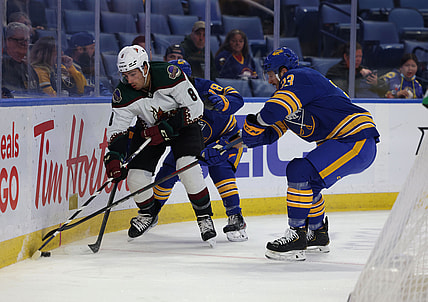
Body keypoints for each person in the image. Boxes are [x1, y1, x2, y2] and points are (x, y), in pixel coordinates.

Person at [242, 47, 380, 261]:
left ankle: (297, 235)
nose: (269, 80)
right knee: (307, 184)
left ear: (282, 71)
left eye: (270, 74)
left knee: (300, 171)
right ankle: (317, 233)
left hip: (355, 139)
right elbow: (267, 135)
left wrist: (256, 121)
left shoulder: (299, 77)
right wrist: (248, 132)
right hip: (349, 142)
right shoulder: (295, 95)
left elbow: (271, 113)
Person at [104, 45, 217, 245]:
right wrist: (114, 157)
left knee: (187, 168)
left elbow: (196, 107)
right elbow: (118, 130)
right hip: (149, 128)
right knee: (135, 177)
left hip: (183, 125)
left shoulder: (169, 75)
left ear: (145, 68)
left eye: (132, 74)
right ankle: (148, 214)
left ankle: (204, 216)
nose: (129, 80)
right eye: (125, 75)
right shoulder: (123, 93)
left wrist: (168, 127)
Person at [153, 59, 248, 242]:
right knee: (168, 171)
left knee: (221, 169)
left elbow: (237, 99)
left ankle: (236, 216)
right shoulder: (164, 97)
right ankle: (152, 211)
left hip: (222, 139)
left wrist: (223, 102)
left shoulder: (207, 88)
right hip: (188, 143)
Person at [2, 22, 41, 95]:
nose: (26, 44)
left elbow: (38, 93)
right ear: (8, 41)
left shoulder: (29, 68)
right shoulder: (3, 67)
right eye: (21, 41)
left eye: (27, 41)